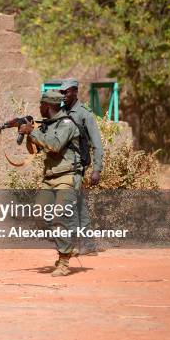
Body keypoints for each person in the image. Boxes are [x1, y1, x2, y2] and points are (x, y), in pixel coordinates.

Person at [18, 90, 81, 276]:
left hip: (67, 177)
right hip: (50, 177)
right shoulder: (47, 125)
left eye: (41, 105)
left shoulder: (67, 124)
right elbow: (38, 148)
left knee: (60, 217)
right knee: (39, 216)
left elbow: (54, 145)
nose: (39, 108)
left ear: (47, 106)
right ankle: (67, 245)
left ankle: (63, 262)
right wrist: (27, 133)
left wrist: (33, 131)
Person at [60, 78, 104, 255]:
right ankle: (89, 245)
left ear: (75, 92)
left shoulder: (85, 114)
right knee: (78, 204)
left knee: (70, 204)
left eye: (66, 92)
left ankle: (71, 245)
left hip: (78, 166)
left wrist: (97, 169)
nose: (63, 95)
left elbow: (97, 144)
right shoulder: (61, 112)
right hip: (64, 166)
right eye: (62, 92)